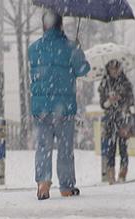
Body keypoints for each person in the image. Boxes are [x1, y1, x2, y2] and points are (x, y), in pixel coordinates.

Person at [28, 10, 90, 200]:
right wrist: (78, 49)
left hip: (41, 108)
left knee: (43, 147)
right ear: (61, 25)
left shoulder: (33, 48)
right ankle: (66, 186)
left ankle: (43, 184)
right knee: (65, 148)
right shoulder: (70, 48)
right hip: (64, 108)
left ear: (44, 26)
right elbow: (83, 70)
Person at [98, 59, 135, 185]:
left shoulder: (125, 83)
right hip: (110, 120)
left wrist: (121, 98)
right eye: (111, 68)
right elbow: (102, 104)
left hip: (123, 119)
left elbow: (131, 100)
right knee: (110, 148)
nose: (114, 71)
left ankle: (122, 173)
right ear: (108, 69)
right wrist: (109, 101)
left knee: (123, 147)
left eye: (116, 68)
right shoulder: (104, 83)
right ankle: (110, 175)